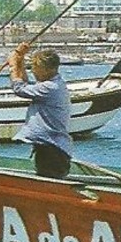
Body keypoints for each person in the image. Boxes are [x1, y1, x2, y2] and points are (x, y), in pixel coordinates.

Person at [10, 41, 73, 179]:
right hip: (49, 148)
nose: (33, 71)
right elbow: (25, 84)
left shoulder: (50, 87)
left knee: (50, 184)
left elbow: (19, 89)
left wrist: (13, 64)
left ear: (47, 70)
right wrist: (20, 60)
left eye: (35, 67)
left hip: (53, 150)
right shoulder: (50, 84)